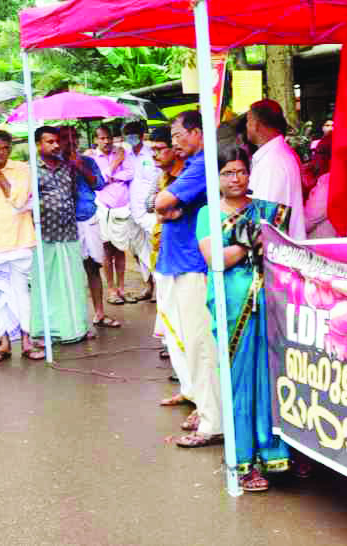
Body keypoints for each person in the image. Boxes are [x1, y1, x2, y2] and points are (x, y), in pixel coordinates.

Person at [194, 144, 292, 491]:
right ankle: (243, 460)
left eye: (241, 171)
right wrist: (250, 244)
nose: (236, 179)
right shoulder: (208, 213)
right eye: (227, 173)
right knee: (240, 382)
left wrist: (258, 241)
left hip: (271, 305)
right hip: (233, 309)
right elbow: (215, 260)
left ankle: (277, 455)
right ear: (216, 177)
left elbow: (284, 251)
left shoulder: (267, 211)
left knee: (273, 379)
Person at [153, 110, 223, 448]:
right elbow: (165, 205)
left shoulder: (201, 165)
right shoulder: (193, 164)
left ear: (196, 133)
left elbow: (162, 201)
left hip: (195, 264)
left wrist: (166, 207)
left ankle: (213, 422)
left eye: (179, 135)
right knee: (190, 343)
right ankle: (205, 407)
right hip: (182, 262)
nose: (175, 142)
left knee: (201, 344)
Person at [0, 131, 46, 364]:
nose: (1, 152)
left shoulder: (23, 169)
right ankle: (4, 343)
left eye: (6, 148)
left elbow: (19, 201)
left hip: (20, 240)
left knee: (22, 293)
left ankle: (26, 341)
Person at [29, 126, 92, 345]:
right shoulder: (31, 170)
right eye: (49, 142)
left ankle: (76, 327)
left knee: (73, 282)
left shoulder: (68, 167)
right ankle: (49, 330)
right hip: (44, 235)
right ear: (38, 144)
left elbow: (77, 193)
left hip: (69, 232)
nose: (55, 145)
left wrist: (78, 165)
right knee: (48, 284)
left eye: (57, 141)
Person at [60, 126, 120, 330]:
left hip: (88, 218)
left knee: (93, 266)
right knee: (70, 272)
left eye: (74, 138)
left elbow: (99, 185)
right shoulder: (55, 164)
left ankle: (99, 313)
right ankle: (76, 320)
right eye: (67, 139)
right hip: (65, 223)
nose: (72, 142)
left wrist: (80, 168)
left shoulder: (87, 161)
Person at [146, 126, 183, 367]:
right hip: (162, 247)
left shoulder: (185, 175)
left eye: (160, 149)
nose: (155, 155)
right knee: (168, 306)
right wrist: (162, 209)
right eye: (153, 151)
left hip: (182, 255)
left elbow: (167, 207)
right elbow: (150, 203)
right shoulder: (161, 176)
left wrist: (163, 207)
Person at [246, 99, 307, 239]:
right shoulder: (276, 156)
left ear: (255, 124)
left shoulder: (273, 162)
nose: (246, 127)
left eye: (247, 122)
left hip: (274, 251)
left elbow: (266, 220)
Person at [91, 123, 133, 305]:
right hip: (103, 208)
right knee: (107, 250)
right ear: (95, 140)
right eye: (102, 138)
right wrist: (116, 166)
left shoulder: (122, 152)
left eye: (109, 137)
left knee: (120, 248)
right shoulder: (91, 158)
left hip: (122, 207)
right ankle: (111, 290)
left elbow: (131, 173)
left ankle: (122, 288)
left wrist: (112, 176)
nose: (106, 141)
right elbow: (98, 180)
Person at [126, 121, 157, 302]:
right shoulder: (126, 154)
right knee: (138, 249)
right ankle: (148, 285)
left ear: (141, 134)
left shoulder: (152, 153)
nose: (131, 137)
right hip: (132, 209)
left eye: (134, 133)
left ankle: (160, 287)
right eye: (127, 134)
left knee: (155, 246)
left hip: (150, 210)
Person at [304, 133, 337, 239]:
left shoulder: (328, 182)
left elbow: (306, 221)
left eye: (316, 153)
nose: (314, 158)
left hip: (321, 250)